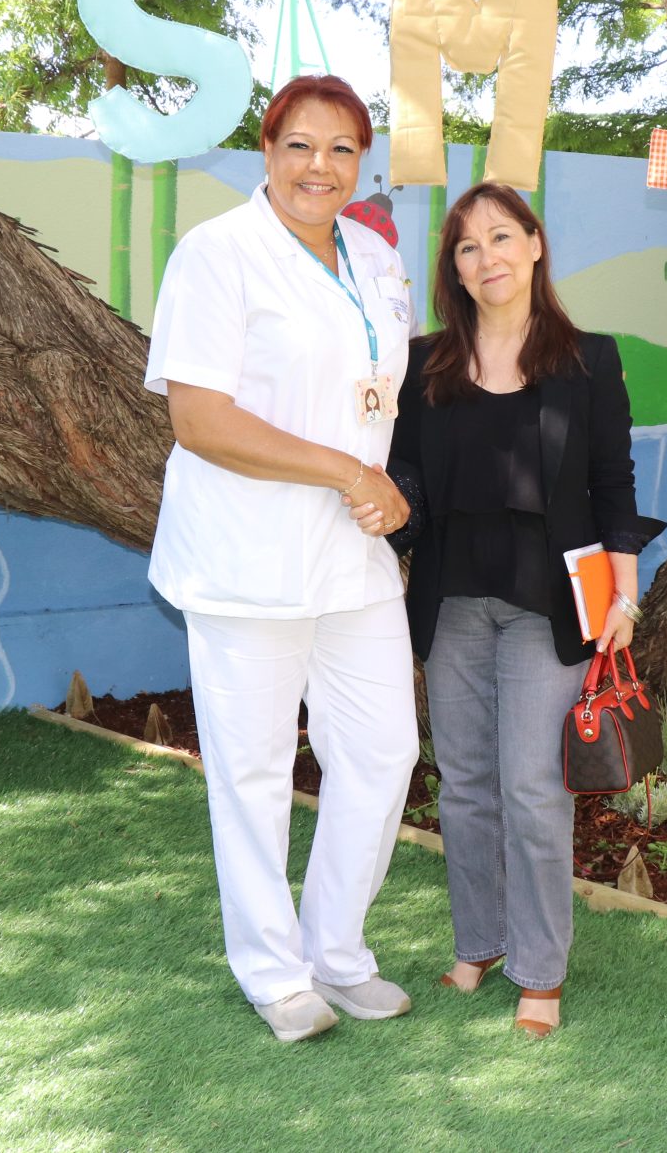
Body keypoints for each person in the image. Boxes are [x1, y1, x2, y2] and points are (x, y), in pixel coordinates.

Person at [143, 75, 417, 1043]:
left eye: (341, 149)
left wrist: (377, 483)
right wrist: (347, 470)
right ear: (266, 151)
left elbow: (375, 394)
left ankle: (336, 949)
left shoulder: (376, 257)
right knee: (254, 771)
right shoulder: (217, 254)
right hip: (244, 556)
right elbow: (199, 419)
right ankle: (273, 972)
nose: (319, 166)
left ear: (361, 162)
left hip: (351, 552)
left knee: (382, 749)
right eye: (300, 144)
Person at [385, 181, 664, 1039]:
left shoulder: (589, 361)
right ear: (455, 268)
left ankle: (541, 970)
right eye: (468, 246)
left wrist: (624, 597)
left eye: (502, 237)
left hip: (548, 607)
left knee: (534, 789)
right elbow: (405, 485)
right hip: (452, 601)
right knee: (465, 785)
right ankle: (481, 940)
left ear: (536, 245)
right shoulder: (424, 365)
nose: (487, 258)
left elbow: (613, 487)